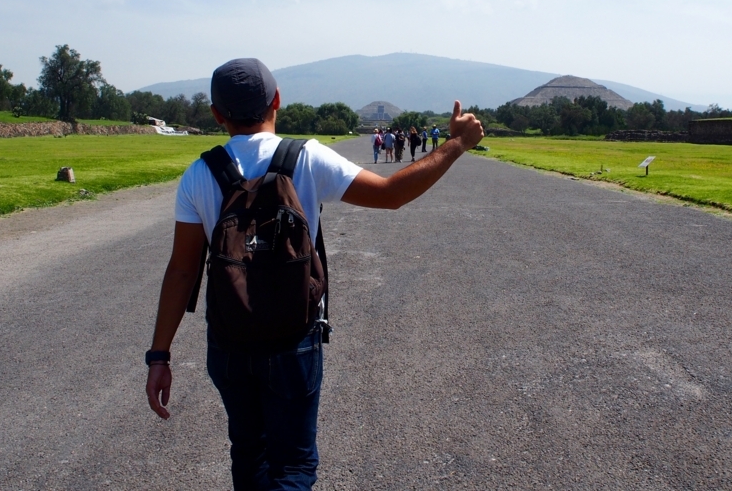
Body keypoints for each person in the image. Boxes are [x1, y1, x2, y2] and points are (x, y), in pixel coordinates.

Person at [146, 57, 483, 490]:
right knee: (294, 466)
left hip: (230, 341)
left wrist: (159, 355)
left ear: (217, 114)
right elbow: (392, 194)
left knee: (249, 454)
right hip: (293, 338)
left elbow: (182, 270)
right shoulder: (305, 157)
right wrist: (456, 144)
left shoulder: (199, 175)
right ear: (277, 102)